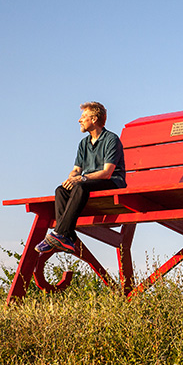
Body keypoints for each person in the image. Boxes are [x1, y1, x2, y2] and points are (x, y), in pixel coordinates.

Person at [36, 101, 126, 254]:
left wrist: (81, 179)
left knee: (80, 186)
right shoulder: (83, 143)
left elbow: (107, 172)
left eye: (84, 116)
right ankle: (67, 235)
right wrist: (72, 177)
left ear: (94, 119)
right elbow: (76, 170)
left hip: (111, 182)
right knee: (61, 190)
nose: (79, 120)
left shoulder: (111, 140)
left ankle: (59, 233)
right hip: (88, 182)